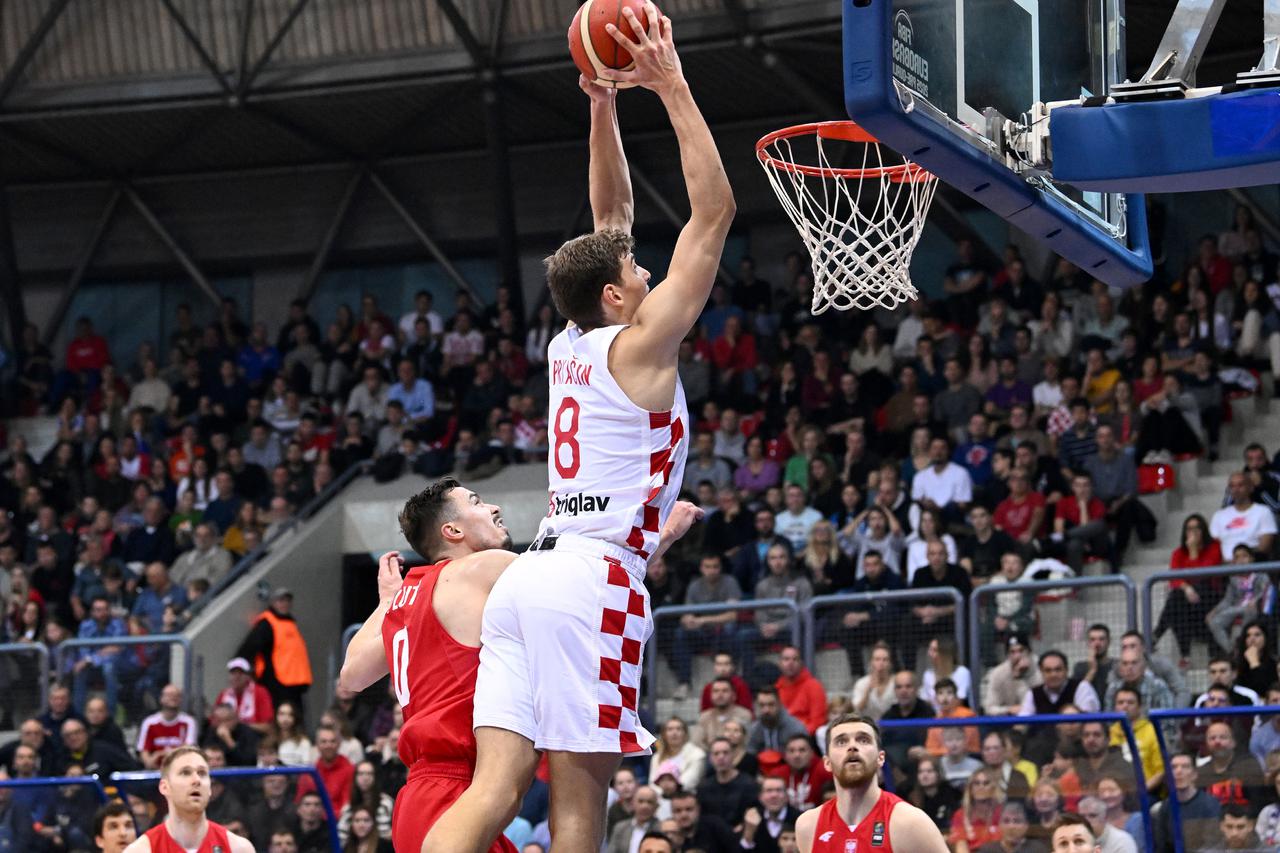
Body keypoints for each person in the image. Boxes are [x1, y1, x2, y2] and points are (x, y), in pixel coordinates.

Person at [339, 479, 698, 853]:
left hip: (420, 794)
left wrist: (387, 602)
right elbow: (583, 582)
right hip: (460, 790)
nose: (493, 507)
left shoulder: (412, 596)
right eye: (476, 502)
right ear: (453, 531)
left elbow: (352, 674)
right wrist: (664, 534)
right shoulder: (483, 568)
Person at [796, 715, 947, 852]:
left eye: (863, 740)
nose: (852, 747)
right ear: (827, 762)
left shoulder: (909, 822)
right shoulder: (808, 825)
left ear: (880, 758)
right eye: (841, 742)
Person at [121, 746, 254, 852]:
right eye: (185, 772)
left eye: (202, 773)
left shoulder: (238, 848)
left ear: (209, 789)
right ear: (165, 787)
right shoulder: (141, 850)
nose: (196, 780)